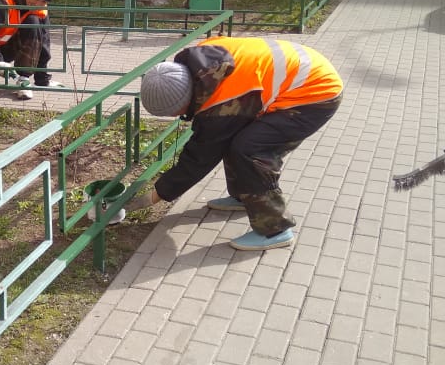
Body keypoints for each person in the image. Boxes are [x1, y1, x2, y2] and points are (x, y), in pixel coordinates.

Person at [130, 35, 343, 251]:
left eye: (174, 112)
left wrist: (154, 197)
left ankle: (275, 229)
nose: (176, 116)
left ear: (185, 99)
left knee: (250, 151)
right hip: (304, 71)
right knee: (236, 140)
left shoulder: (223, 98)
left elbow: (200, 157)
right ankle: (245, 197)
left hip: (316, 94)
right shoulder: (198, 62)